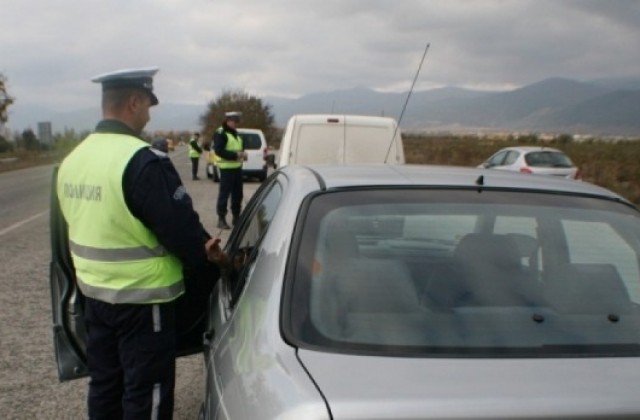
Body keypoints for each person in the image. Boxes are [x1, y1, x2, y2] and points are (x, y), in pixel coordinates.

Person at [56, 67, 227, 420]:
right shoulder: (143, 161)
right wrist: (208, 254)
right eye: (148, 105)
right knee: (145, 392)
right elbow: (181, 231)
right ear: (134, 102)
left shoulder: (72, 161)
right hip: (143, 301)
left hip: (95, 298)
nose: (149, 114)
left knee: (104, 385)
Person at [212, 111, 247, 229]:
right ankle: (221, 219)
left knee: (238, 194)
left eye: (237, 121)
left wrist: (242, 154)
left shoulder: (235, 133)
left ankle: (236, 217)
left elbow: (239, 148)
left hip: (237, 168)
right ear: (228, 121)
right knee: (224, 195)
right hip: (226, 169)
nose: (236, 123)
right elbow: (219, 150)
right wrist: (235, 155)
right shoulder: (221, 132)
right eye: (234, 121)